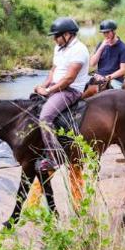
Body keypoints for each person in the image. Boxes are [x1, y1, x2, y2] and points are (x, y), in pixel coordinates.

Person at [34, 17, 89, 172]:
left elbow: (69, 79)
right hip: (55, 86)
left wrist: (48, 91)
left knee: (45, 118)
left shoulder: (79, 50)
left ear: (67, 34)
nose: (54, 39)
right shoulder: (59, 48)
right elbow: (54, 71)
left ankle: (55, 158)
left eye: (56, 36)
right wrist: (43, 85)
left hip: (70, 91)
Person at [89, 19, 125, 90]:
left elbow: (124, 69)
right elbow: (92, 63)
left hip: (114, 80)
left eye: (107, 32)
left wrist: (107, 78)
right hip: (99, 77)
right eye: (103, 33)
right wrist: (101, 48)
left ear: (114, 31)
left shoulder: (123, 48)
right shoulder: (101, 44)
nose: (105, 35)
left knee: (112, 95)